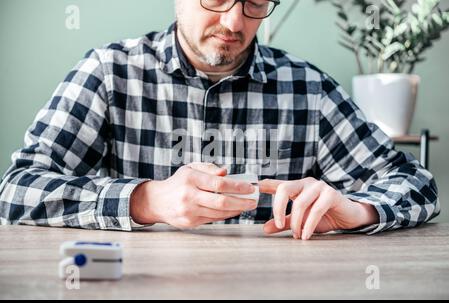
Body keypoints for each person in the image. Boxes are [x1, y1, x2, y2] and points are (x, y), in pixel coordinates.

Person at [0, 0, 440, 240]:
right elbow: (16, 191)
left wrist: (357, 210)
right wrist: (147, 201)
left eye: (254, 2)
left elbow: (414, 181)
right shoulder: (109, 73)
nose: (234, 21)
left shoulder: (309, 87)